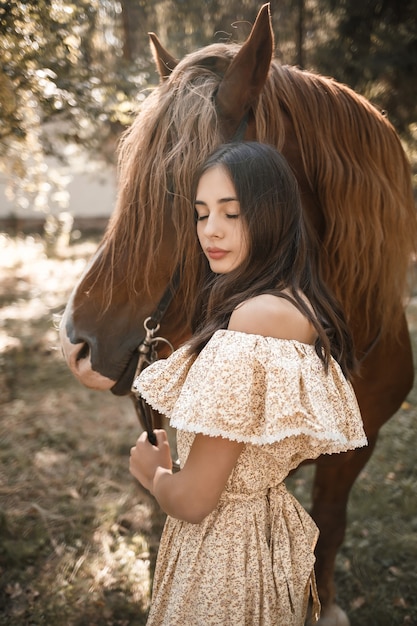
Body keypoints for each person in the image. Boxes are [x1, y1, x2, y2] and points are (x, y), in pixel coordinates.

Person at [129, 142, 367, 626]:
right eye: (201, 214)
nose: (210, 230)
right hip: (263, 538)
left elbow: (194, 501)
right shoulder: (296, 305)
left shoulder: (253, 320)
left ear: (274, 215)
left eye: (231, 213)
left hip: (224, 557)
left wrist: (154, 472)